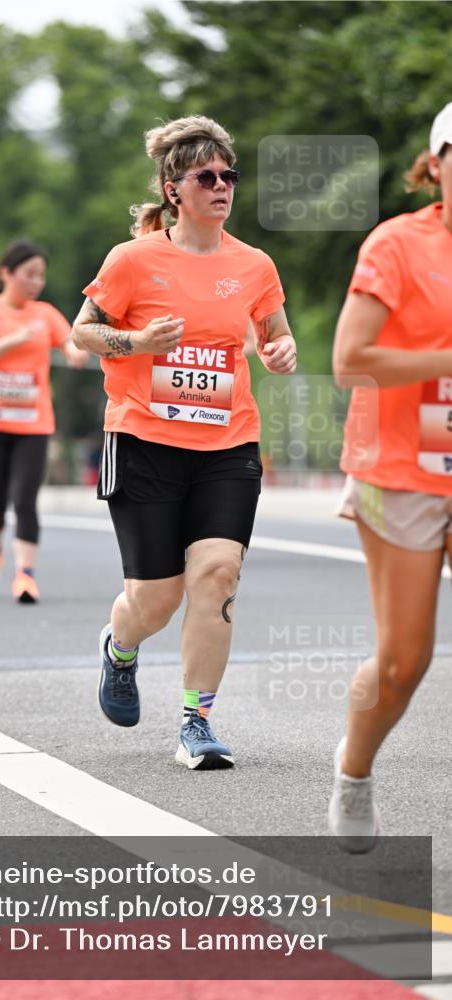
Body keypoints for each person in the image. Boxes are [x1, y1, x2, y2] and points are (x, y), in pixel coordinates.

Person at [72, 116, 296, 769]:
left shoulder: (253, 265)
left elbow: (274, 335)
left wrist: (279, 352)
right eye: (208, 176)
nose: (223, 186)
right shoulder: (133, 260)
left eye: (230, 175)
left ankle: (196, 721)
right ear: (174, 189)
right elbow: (82, 333)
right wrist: (138, 344)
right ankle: (120, 647)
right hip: (143, 439)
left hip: (228, 442)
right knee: (156, 599)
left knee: (217, 573)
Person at [328, 103, 452, 851]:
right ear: (433, 162)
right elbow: (349, 361)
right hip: (401, 462)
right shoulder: (398, 244)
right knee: (405, 659)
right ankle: (353, 771)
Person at [0, 240, 88, 602]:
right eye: (28, 274)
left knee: (25, 499)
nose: (35, 282)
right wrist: (14, 340)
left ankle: (25, 575)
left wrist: (82, 351)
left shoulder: (44, 314)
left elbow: (72, 348)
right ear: (5, 273)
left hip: (32, 424)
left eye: (41, 276)